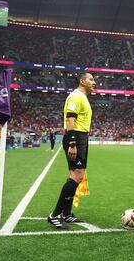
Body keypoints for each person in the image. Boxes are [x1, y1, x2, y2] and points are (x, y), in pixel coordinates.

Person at [48, 72, 96, 229]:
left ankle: (66, 214)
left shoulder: (83, 97)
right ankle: (54, 215)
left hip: (81, 137)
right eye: (91, 79)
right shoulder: (76, 96)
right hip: (76, 137)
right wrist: (73, 143)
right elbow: (70, 119)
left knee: (75, 176)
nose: (94, 82)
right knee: (77, 176)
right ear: (82, 81)